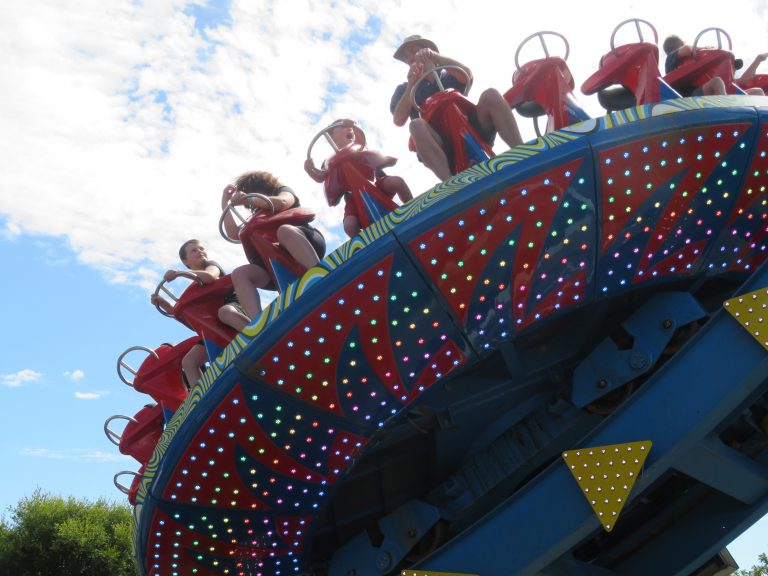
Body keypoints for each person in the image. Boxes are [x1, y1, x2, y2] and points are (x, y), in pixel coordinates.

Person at [390, 35, 523, 182]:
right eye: (406, 56)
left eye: (413, 51)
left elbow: (467, 75)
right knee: (416, 125)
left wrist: (435, 57)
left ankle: (522, 152)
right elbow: (398, 119)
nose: (409, 58)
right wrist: (411, 84)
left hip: (472, 128)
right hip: (439, 143)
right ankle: (450, 183)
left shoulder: (449, 74)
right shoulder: (404, 89)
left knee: (491, 94)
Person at [221, 170, 326, 320]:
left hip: (305, 240)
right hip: (272, 264)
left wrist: (250, 199)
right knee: (240, 273)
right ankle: (257, 322)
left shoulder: (281, 192)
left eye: (252, 192)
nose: (249, 196)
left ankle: (319, 275)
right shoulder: (254, 217)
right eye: (247, 193)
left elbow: (283, 202)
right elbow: (233, 233)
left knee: (284, 231)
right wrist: (226, 204)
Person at [150, 239, 250, 388]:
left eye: (201, 248)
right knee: (189, 362)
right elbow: (189, 318)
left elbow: (210, 277)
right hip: (215, 324)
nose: (200, 251)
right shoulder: (194, 287)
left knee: (225, 312)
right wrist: (164, 304)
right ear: (185, 260)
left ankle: (258, 334)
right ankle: (204, 393)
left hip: (231, 305)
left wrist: (180, 273)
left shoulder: (211, 267)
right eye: (194, 251)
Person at [304, 118, 413, 237]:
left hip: (376, 182)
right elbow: (321, 176)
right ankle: (367, 243)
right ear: (332, 138)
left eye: (350, 129)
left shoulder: (358, 147)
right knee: (349, 226)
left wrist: (353, 127)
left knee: (396, 182)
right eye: (342, 128)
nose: (349, 129)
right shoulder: (328, 161)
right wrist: (310, 169)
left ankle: (413, 207)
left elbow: (362, 140)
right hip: (352, 197)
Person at [663, 34, 727, 96]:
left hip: (691, 93)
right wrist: (705, 48)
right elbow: (687, 49)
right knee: (716, 82)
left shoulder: (679, 61)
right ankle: (726, 106)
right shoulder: (670, 58)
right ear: (682, 44)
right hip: (685, 96)